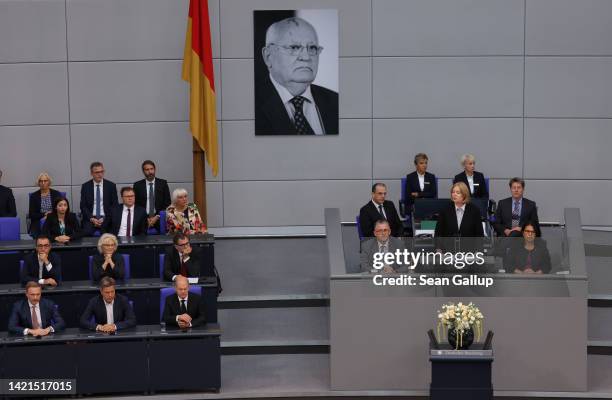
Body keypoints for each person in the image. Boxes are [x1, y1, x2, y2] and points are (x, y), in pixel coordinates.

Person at [256, 17, 338, 135]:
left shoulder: (336, 102)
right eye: (294, 47)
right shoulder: (249, 106)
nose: (306, 57)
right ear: (268, 56)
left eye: (312, 48)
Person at [434, 182, 484, 252]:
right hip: (448, 251)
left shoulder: (474, 211)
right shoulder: (445, 210)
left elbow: (479, 234)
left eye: (458, 192)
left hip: (469, 251)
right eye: (453, 192)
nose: (454, 194)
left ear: (464, 194)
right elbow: (438, 233)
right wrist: (438, 249)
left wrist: (478, 251)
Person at [80, 161, 118, 235]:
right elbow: (83, 206)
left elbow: (114, 206)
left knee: (110, 234)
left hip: (106, 218)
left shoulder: (111, 186)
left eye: (101, 171)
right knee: (86, 234)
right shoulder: (85, 186)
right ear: (91, 173)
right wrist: (92, 218)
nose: (100, 174)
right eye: (97, 172)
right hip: (91, 218)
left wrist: (104, 218)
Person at [133, 160, 171, 231]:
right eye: (147, 170)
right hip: (143, 218)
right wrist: (145, 218)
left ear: (155, 169)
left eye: (151, 169)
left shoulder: (163, 184)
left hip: (160, 217)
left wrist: (157, 217)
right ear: (143, 171)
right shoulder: (137, 185)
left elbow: (167, 203)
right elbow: (135, 204)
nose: (150, 172)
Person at [28, 172, 63, 237]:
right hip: (39, 220)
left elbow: (61, 209)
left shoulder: (56, 194)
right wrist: (44, 214)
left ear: (49, 182)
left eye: (45, 181)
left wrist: (50, 215)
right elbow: (31, 214)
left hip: (55, 219)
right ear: (38, 183)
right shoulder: (34, 196)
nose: (43, 183)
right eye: (41, 181)